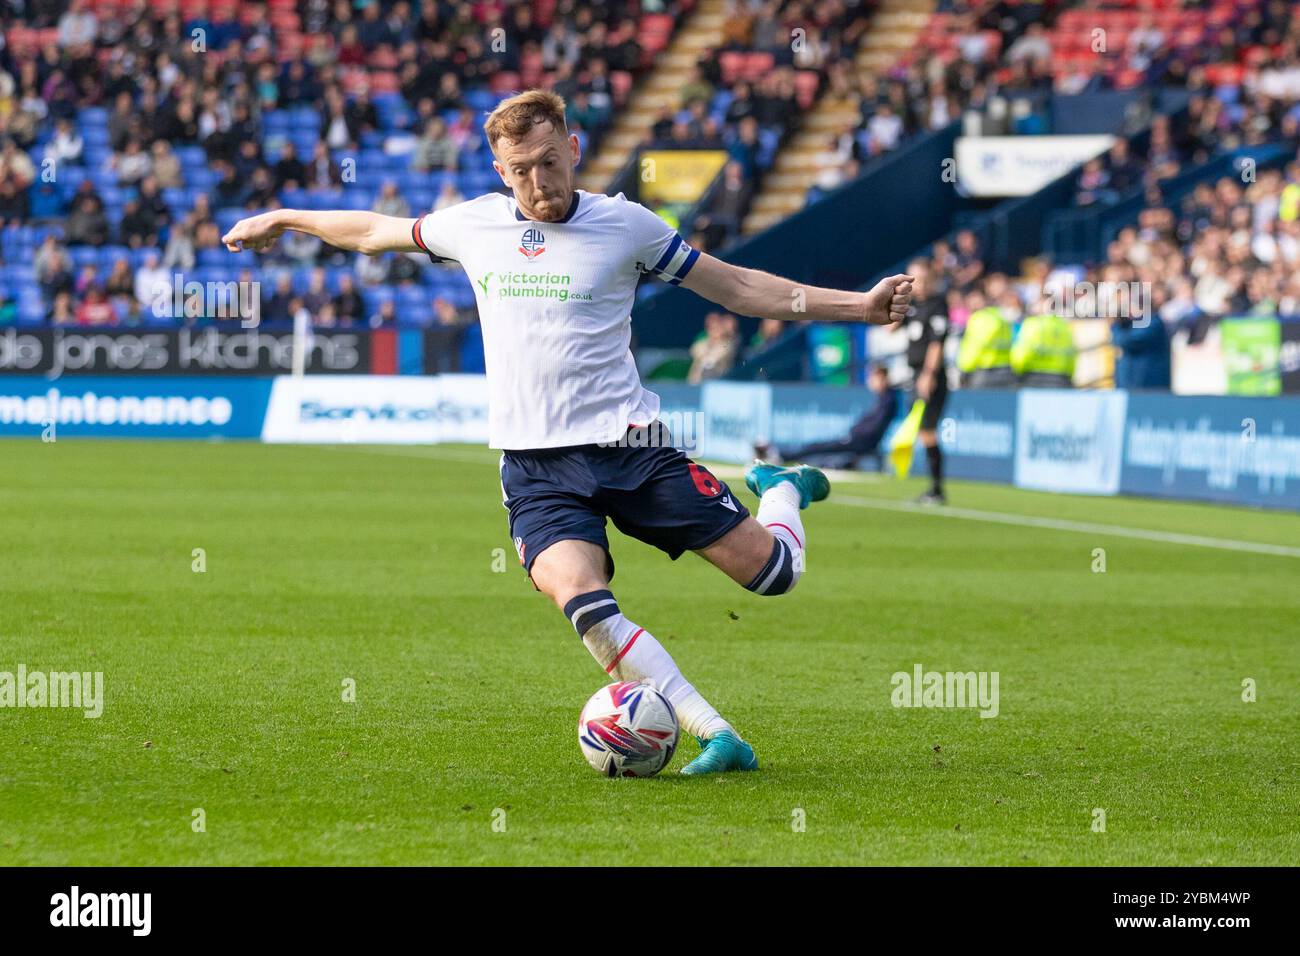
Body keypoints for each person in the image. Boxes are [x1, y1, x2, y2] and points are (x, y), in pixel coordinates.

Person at [222, 90, 914, 775]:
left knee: (774, 576)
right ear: (500, 170)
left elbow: (735, 288)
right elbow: (372, 230)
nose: (537, 180)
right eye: (520, 168)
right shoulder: (474, 226)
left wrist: (859, 306)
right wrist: (285, 218)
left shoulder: (627, 226)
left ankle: (784, 490)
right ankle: (716, 734)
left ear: (573, 150)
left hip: (635, 448)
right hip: (535, 466)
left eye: (549, 162)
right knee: (583, 603)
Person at [763, 364, 898, 470]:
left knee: (819, 447)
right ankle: (783, 454)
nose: (870, 381)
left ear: (883, 378)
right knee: (819, 446)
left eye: (873, 377)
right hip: (858, 439)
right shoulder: (883, 400)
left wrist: (854, 434)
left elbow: (873, 429)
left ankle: (782, 455)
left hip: (861, 442)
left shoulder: (888, 401)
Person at [901, 260, 950, 504]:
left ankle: (937, 489)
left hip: (930, 377)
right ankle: (934, 489)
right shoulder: (912, 307)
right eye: (911, 279)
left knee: (929, 432)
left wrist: (928, 375)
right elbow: (889, 329)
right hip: (914, 374)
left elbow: (936, 343)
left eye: (920, 279)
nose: (916, 285)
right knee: (923, 432)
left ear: (930, 279)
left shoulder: (938, 305)